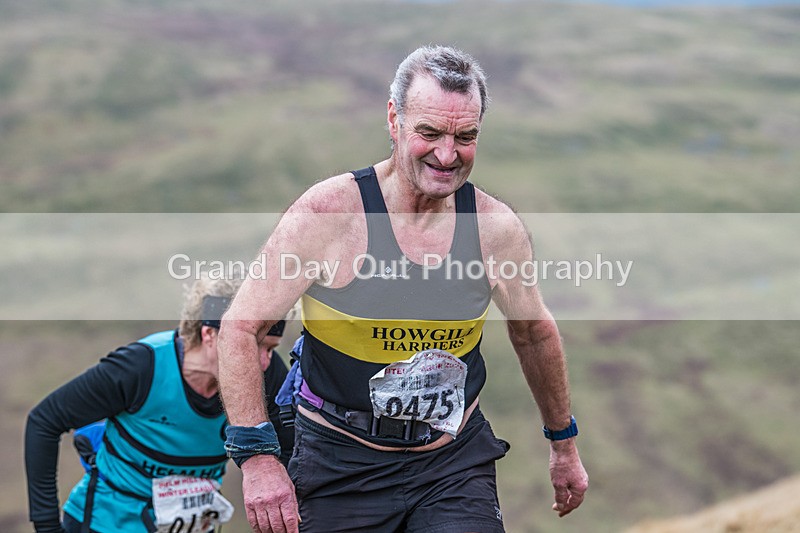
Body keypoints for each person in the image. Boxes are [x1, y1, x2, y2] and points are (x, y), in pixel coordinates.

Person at [218, 44, 589, 533]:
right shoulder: (330, 215)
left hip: (451, 463)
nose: (447, 155)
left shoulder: (494, 229)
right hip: (339, 463)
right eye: (429, 133)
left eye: (465, 137)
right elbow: (240, 329)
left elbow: (534, 333)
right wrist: (258, 458)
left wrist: (564, 444)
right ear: (394, 119)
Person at [25, 275, 294, 533]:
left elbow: (292, 452)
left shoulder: (267, 377)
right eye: (252, 345)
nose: (263, 362)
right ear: (209, 334)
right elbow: (44, 420)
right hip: (104, 524)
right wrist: (48, 527)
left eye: (271, 349)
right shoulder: (141, 367)